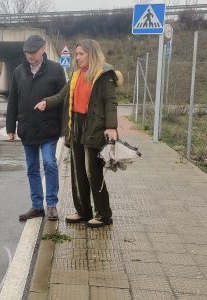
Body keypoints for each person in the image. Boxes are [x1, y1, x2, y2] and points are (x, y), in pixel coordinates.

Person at [34, 39, 123, 228]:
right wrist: (46, 102)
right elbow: (61, 96)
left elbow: (110, 102)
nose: (78, 57)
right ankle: (83, 211)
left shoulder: (103, 75)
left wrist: (111, 127)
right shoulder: (75, 75)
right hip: (76, 125)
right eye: (77, 54)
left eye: (81, 54)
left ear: (91, 54)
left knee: (93, 171)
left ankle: (103, 214)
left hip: (94, 127)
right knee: (77, 172)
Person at [6, 35, 67, 222]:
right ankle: (37, 206)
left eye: (33, 53)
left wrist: (65, 129)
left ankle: (51, 205)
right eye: (27, 53)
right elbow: (13, 100)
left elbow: (64, 99)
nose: (30, 56)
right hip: (27, 128)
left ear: (42, 50)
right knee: (32, 168)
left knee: (49, 163)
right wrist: (11, 127)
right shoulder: (18, 72)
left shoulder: (56, 70)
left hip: (48, 129)